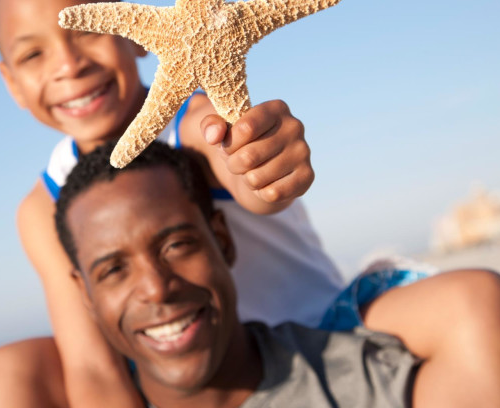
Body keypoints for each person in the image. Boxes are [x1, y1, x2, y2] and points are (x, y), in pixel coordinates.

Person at [0, 0, 500, 407]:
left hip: (317, 329)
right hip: (187, 364)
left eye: (88, 30)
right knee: (10, 370)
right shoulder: (41, 209)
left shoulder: (195, 121)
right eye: (33, 55)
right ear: (10, 83)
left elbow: (243, 175)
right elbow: (91, 365)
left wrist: (265, 171)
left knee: (475, 304)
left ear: (136, 29)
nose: (68, 65)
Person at [54, 141, 418, 408]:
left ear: (222, 240)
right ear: (84, 294)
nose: (156, 289)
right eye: (114, 269)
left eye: (176, 245)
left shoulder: (367, 383)